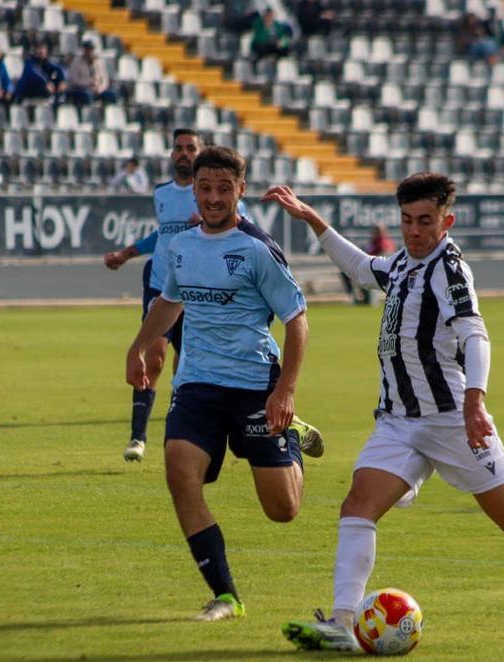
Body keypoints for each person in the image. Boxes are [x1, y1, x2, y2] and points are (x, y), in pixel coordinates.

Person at [263, 174, 504, 652]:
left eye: (425, 221)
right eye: (406, 220)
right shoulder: (403, 261)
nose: (414, 231)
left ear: (447, 221)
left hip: (450, 419)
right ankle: (342, 623)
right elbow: (363, 270)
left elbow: (475, 334)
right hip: (399, 421)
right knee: (357, 506)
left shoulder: (450, 269)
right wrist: (312, 218)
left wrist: (475, 402)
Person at [125, 146, 323, 622]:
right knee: (180, 473)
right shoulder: (181, 246)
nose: (213, 198)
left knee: (282, 510)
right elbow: (170, 302)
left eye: (223, 189)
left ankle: (290, 432)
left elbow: (297, 320)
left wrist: (286, 391)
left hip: (256, 385)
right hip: (197, 383)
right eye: (205, 188)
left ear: (240, 190)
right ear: (194, 189)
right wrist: (140, 345)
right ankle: (226, 596)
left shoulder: (257, 248)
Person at [103, 130, 248, 462]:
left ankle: (181, 432)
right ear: (171, 154)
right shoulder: (163, 193)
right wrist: (128, 253)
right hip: (160, 284)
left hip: (197, 287)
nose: (184, 153)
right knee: (153, 358)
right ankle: (137, 437)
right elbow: (162, 234)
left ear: (200, 152)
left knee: (187, 367)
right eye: (179, 148)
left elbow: (242, 223)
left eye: (190, 148)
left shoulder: (212, 194)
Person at [68, 40, 116, 107]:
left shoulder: (99, 61)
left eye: (91, 49)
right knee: (87, 95)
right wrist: (89, 83)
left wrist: (100, 88)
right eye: (87, 49)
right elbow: (74, 80)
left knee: (111, 95)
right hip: (81, 89)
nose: (89, 52)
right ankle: (91, 114)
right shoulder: (76, 62)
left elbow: (105, 79)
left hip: (97, 89)